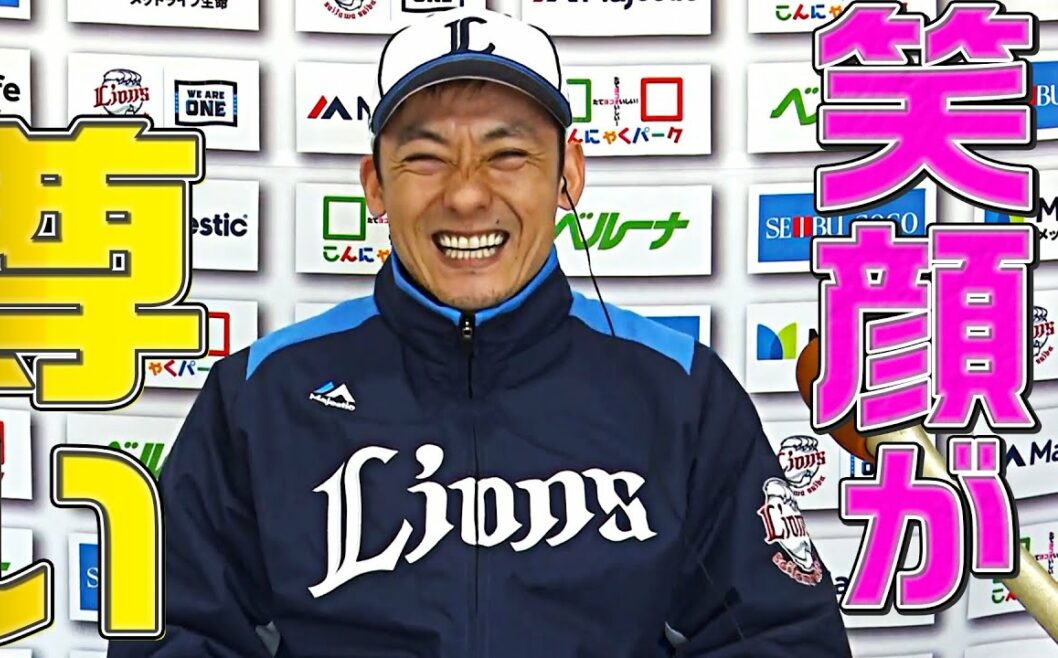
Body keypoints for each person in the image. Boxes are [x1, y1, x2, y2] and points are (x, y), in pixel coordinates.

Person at [107, 7, 852, 657]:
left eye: (508, 154)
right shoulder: (263, 394)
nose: (466, 194)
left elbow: (782, 635)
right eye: (426, 157)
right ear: (375, 185)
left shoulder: (678, 391)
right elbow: (171, 632)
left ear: (568, 175)